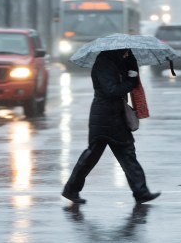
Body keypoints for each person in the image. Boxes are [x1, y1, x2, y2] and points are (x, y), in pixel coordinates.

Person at [62, 48, 160, 204]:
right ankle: (140, 192)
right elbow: (111, 90)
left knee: (112, 154)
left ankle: (71, 189)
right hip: (105, 116)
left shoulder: (115, 61)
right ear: (116, 50)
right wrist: (130, 81)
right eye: (126, 52)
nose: (127, 54)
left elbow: (123, 81)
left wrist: (131, 65)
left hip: (113, 115)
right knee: (121, 152)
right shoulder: (104, 64)